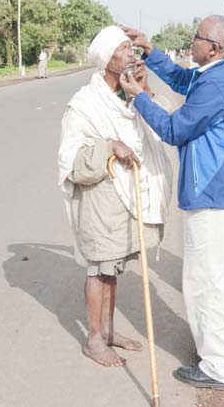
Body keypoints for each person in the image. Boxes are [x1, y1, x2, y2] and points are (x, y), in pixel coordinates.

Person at [119, 15, 224, 390]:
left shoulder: (217, 85)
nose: (191, 42)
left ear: (213, 47)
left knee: (205, 282)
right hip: (222, 191)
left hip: (212, 195)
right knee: (220, 280)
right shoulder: (221, 72)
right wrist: (151, 51)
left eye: (196, 37)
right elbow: (181, 80)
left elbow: (175, 130)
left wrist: (139, 98)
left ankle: (217, 367)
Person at [57, 26, 174, 367]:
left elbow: (161, 124)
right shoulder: (84, 105)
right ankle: (94, 340)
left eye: (130, 48)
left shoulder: (130, 95)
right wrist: (110, 146)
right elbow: (71, 161)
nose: (130, 54)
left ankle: (108, 332)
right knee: (98, 269)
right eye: (123, 50)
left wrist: (143, 90)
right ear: (106, 60)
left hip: (126, 199)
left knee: (113, 269)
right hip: (100, 198)